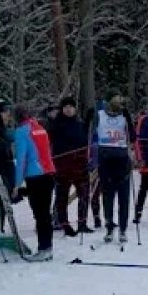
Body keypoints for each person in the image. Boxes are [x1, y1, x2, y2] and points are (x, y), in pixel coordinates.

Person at [12, 106, 56, 261]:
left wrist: (17, 183)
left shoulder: (21, 132)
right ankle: (48, 247)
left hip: (35, 176)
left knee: (40, 214)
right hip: (49, 173)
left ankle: (43, 248)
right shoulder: (39, 128)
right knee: (45, 213)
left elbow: (21, 159)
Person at [94, 95, 136, 243]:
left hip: (122, 160)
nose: (118, 103)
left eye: (120, 100)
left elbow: (133, 136)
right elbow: (92, 133)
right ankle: (109, 228)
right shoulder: (99, 115)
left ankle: (123, 229)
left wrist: (129, 119)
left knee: (124, 198)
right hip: (105, 160)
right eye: (115, 100)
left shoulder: (125, 115)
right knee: (107, 197)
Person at [49, 97, 92, 236]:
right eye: (66, 107)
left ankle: (82, 222)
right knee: (62, 196)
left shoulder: (80, 124)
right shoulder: (56, 125)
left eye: (71, 107)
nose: (68, 109)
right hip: (63, 167)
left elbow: (84, 142)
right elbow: (53, 144)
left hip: (80, 166)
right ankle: (64, 223)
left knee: (84, 194)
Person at [0, 100, 15, 233]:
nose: (7, 115)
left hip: (5, 178)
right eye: (4, 112)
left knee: (2, 213)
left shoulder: (3, 132)